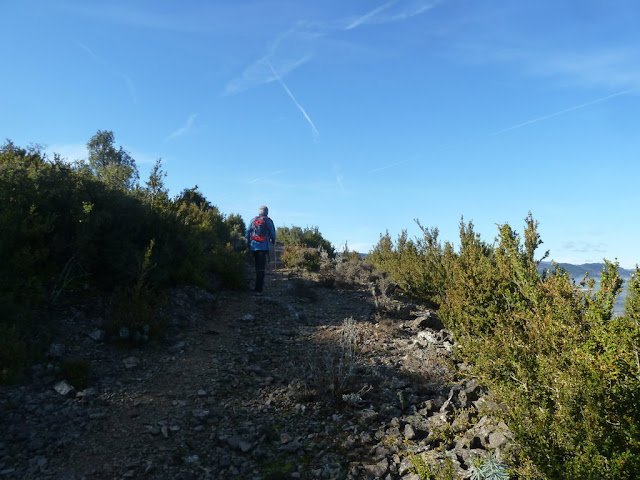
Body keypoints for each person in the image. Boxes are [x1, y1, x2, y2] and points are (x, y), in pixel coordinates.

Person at [246, 205, 276, 293]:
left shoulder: (253, 220)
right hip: (264, 247)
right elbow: (272, 233)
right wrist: (273, 240)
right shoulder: (268, 221)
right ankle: (259, 289)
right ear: (266, 212)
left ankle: (256, 287)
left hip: (254, 246)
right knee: (261, 268)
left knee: (256, 266)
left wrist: (247, 243)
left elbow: (248, 231)